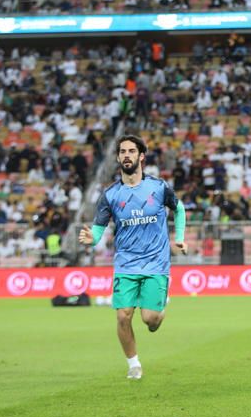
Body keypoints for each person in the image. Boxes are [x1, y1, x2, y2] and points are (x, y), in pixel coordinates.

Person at [78, 135, 187, 380]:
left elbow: (178, 208)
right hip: (126, 263)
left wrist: (179, 237)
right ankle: (134, 364)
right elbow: (98, 227)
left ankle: (160, 305)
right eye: (122, 151)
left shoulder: (158, 187)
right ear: (118, 158)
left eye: (131, 151)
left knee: (151, 320)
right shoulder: (111, 195)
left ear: (141, 157)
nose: (126, 155)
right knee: (122, 315)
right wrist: (92, 238)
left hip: (156, 263)